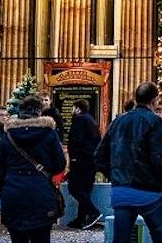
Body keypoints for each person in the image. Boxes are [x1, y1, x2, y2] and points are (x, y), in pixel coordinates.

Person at [96, 82, 162, 243]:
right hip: (150, 191)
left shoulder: (118, 122)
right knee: (160, 237)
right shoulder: (155, 122)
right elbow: (158, 159)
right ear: (155, 100)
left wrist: (115, 175)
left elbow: (99, 156)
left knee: (121, 238)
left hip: (122, 190)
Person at [0, 95, 67, 243]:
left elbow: (0, 165)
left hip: (13, 191)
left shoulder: (8, 134)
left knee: (17, 238)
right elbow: (60, 163)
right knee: (41, 237)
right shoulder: (49, 133)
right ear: (39, 111)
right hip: (40, 190)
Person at [66, 98, 102, 230]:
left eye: (73, 108)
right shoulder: (91, 120)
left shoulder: (79, 119)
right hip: (90, 161)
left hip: (80, 160)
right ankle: (81, 218)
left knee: (74, 188)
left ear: (78, 108)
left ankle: (93, 212)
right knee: (85, 190)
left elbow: (75, 140)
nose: (71, 111)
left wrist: (74, 158)